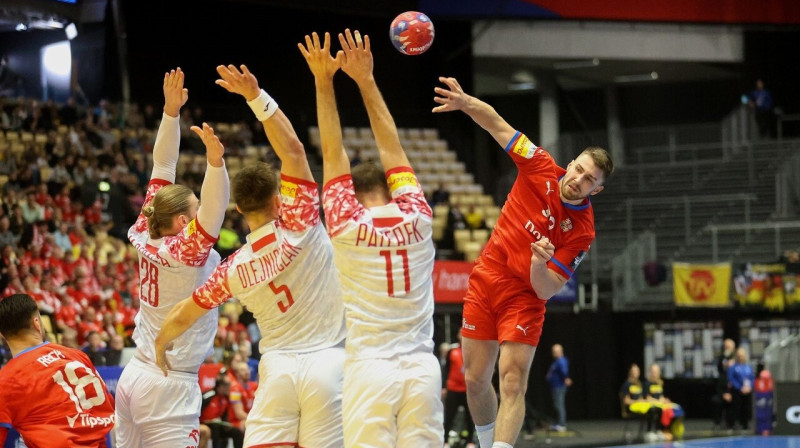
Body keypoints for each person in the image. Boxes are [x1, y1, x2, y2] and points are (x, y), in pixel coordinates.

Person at [155, 63, 346, 448]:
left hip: (277, 372)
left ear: (238, 210)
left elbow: (184, 313)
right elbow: (293, 149)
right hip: (329, 365)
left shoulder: (233, 270)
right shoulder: (301, 223)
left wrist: (159, 344)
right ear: (279, 200)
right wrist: (254, 96)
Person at [433, 74, 613, 448]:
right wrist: (466, 103)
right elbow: (498, 124)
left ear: (598, 189)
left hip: (526, 298)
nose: (578, 180)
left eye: (589, 179)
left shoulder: (582, 230)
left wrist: (536, 264)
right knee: (476, 379)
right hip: (486, 280)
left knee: (512, 379)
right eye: (579, 169)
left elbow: (547, 287)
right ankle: (486, 443)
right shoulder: (541, 165)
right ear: (571, 164)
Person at [301, 29, 444, 446]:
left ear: (354, 195)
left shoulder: (345, 224)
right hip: (422, 366)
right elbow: (392, 148)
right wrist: (366, 80)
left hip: (371, 367)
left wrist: (323, 81)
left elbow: (332, 153)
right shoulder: (419, 217)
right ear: (391, 187)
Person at [115, 68, 231, 448]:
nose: (200, 217)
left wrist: (170, 112)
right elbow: (215, 211)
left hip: (135, 374)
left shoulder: (146, 227)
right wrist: (216, 163)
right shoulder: (184, 250)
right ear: (183, 221)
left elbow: (162, 166)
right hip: (170, 381)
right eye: (193, 212)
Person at [0, 294, 116, 447]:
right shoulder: (77, 355)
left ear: (2, 335)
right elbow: (110, 409)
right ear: (37, 324)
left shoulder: (7, 380)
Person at [443, 330, 475, 448]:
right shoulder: (452, 351)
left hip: (468, 390)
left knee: (470, 417)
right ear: (458, 335)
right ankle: (445, 441)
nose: (463, 336)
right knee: (449, 416)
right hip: (453, 389)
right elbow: (446, 369)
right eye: (461, 333)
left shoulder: (474, 352)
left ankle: (470, 441)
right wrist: (444, 387)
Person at [727, 347, 755, 431]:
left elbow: (752, 378)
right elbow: (731, 379)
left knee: (746, 408)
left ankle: (745, 424)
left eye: (742, 356)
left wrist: (750, 387)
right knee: (736, 407)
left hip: (747, 390)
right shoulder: (733, 367)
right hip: (737, 391)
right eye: (739, 356)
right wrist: (740, 387)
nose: (741, 357)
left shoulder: (748, 367)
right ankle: (733, 424)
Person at [545, 343, 571, 432]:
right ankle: (560, 422)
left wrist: (566, 378)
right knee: (557, 405)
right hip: (555, 387)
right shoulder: (557, 361)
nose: (553, 353)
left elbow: (564, 371)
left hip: (559, 387)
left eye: (555, 351)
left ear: (559, 351)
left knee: (560, 405)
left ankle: (562, 424)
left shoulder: (561, 361)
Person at [711, 338, 736, 430]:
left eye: (729, 346)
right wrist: (723, 394)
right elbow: (719, 386)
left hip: (734, 391)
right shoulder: (722, 359)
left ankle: (731, 424)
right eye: (725, 346)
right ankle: (717, 423)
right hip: (723, 392)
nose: (727, 348)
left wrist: (731, 393)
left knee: (735, 400)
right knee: (716, 400)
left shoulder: (736, 358)